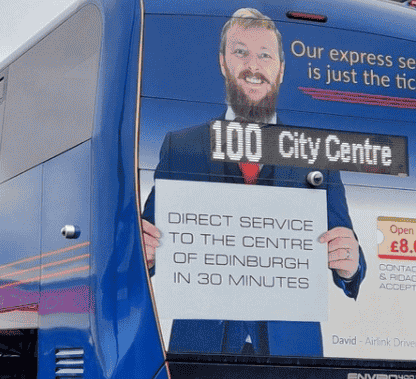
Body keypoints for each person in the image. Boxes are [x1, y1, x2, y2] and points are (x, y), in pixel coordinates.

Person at [141, 7, 366, 356]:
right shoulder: (182, 147)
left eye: (264, 55)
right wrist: (145, 253)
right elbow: (145, 246)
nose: (253, 65)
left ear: (280, 69)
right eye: (241, 52)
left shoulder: (316, 151)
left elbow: (350, 251)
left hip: (292, 354)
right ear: (222, 62)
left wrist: (350, 265)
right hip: (201, 352)